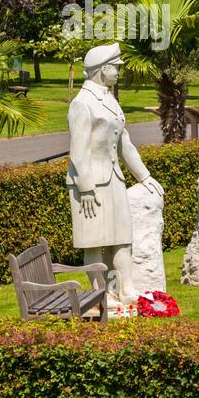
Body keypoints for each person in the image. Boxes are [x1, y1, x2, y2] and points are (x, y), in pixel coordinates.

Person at [67, 42, 163, 309]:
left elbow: (125, 144)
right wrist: (85, 188)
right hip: (91, 185)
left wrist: (144, 176)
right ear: (101, 70)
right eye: (115, 68)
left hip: (114, 179)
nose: (119, 72)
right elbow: (78, 151)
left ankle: (127, 288)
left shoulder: (110, 99)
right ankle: (101, 294)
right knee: (94, 243)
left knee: (122, 238)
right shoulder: (82, 104)